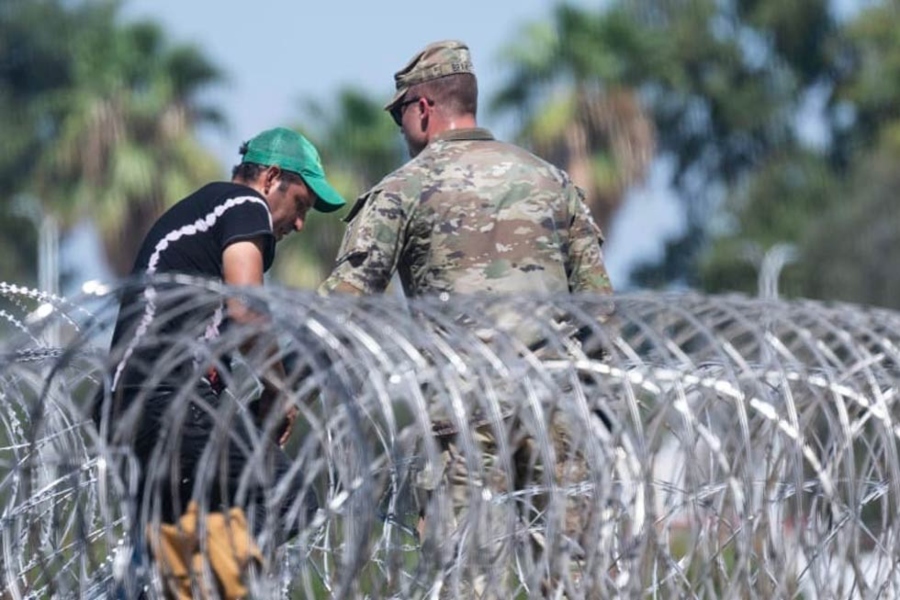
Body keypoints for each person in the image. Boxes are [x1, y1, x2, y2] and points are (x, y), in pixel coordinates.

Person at [320, 40, 614, 598]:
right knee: (577, 581)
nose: (401, 129)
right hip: (559, 410)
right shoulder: (551, 181)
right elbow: (600, 310)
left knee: (470, 581)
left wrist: (284, 391)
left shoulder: (402, 190)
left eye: (400, 114)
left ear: (423, 109)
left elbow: (343, 306)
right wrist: (598, 413)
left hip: (465, 416)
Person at [94, 126, 345, 598]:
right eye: (302, 205)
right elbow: (248, 310)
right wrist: (279, 393)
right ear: (271, 178)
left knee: (182, 539)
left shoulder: (207, 223)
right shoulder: (241, 205)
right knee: (287, 497)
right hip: (164, 395)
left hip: (140, 400)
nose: (299, 224)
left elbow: (216, 341)